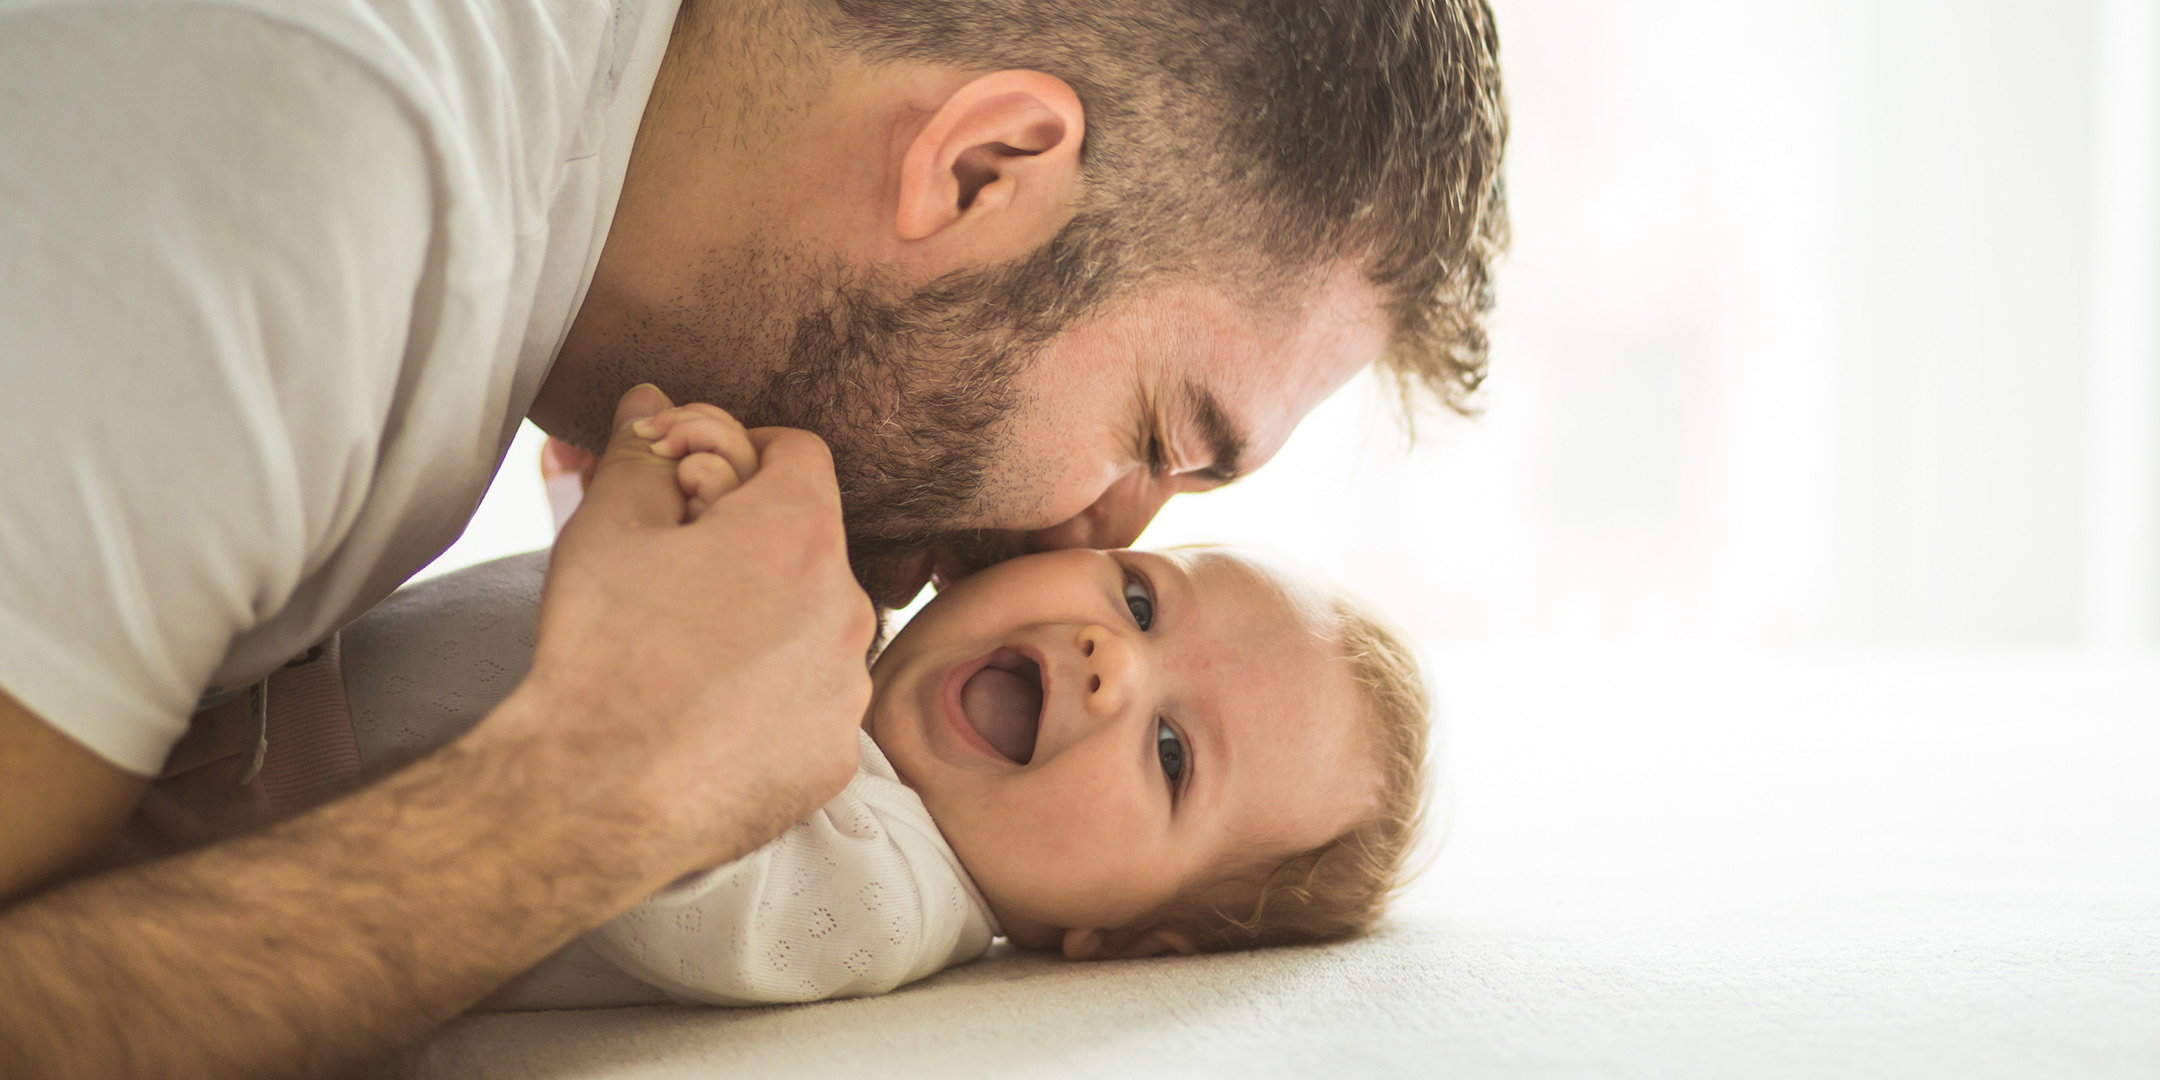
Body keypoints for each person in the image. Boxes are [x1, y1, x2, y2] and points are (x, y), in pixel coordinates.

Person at [0, 0, 1505, 1073]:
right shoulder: (290, 182)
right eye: (1160, 441)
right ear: (980, 171)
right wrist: (591, 789)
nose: (1077, 532)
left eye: (1177, 756)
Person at [113, 408, 1436, 1008]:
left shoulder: (888, 893)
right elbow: (611, 634)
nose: (1110, 663)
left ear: (1117, 940)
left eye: (1168, 751)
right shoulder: (831, 641)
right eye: (1143, 603)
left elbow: (666, 859)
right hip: (245, 679)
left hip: (244, 832)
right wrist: (627, 514)